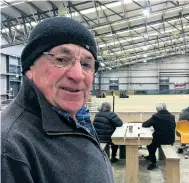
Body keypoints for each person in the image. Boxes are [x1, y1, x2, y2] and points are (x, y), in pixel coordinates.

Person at [1, 17, 114, 183]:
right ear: (30, 68)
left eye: (86, 64)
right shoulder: (11, 148)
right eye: (61, 59)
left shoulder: (76, 117)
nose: (77, 75)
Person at [142, 103, 176, 170]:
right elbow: (174, 126)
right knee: (154, 141)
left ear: (157, 109)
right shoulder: (172, 116)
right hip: (170, 139)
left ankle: (153, 161)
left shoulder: (156, 116)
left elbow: (145, 124)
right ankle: (151, 157)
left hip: (159, 139)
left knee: (149, 145)